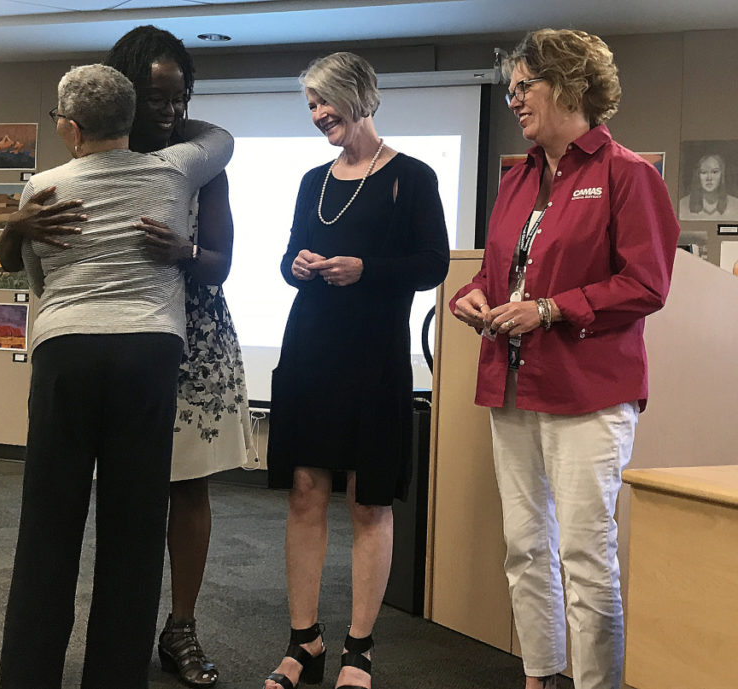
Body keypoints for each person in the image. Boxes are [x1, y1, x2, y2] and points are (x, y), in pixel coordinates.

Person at [0, 26, 255, 687]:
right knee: (134, 530)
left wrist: (185, 255)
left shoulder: (43, 184)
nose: (171, 111)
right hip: (150, 353)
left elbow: (34, 280)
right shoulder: (181, 165)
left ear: (67, 125)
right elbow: (223, 139)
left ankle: (31, 673)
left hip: (76, 351)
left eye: (180, 99)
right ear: (128, 104)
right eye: (156, 99)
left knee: (50, 523)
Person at [450, 29, 679, 689]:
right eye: (512, 87)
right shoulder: (518, 179)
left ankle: (595, 683)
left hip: (590, 391)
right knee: (525, 548)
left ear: (570, 86)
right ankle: (542, 674)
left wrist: (550, 309)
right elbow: (497, 277)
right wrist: (473, 300)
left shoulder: (627, 174)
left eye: (526, 86)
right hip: (513, 383)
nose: (514, 99)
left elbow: (647, 284)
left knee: (585, 555)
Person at [264, 52, 449, 689]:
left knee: (367, 501)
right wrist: (298, 266)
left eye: (326, 102)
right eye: (310, 105)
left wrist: (365, 269)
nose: (318, 115)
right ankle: (304, 642)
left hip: (373, 357)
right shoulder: (313, 180)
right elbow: (287, 254)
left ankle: (359, 651)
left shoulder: (413, 178)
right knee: (305, 491)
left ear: (361, 97)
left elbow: (433, 266)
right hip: (310, 350)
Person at [679, 152, 738, 220]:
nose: (709, 178)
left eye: (714, 172)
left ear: (722, 175)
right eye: (704, 172)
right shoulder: (682, 205)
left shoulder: (735, 205)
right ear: (698, 175)